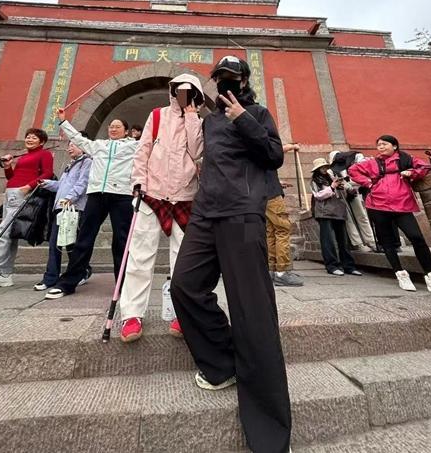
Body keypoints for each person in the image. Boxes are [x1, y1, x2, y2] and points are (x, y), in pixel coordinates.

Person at [171, 55, 292, 453]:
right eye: (219, 78)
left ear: (243, 81)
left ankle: (270, 432)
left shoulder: (257, 113)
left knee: (251, 309)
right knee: (184, 285)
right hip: (206, 213)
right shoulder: (209, 120)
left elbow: (274, 155)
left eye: (232, 78)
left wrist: (243, 118)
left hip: (242, 213)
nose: (225, 83)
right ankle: (223, 364)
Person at [119, 74, 204, 342]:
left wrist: (191, 117)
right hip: (152, 194)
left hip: (185, 196)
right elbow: (142, 151)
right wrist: (138, 182)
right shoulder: (156, 116)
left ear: (196, 95)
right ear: (172, 91)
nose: (183, 96)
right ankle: (132, 315)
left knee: (183, 260)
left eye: (189, 92)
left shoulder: (199, 121)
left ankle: (182, 313)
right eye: (179, 91)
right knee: (140, 256)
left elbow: (198, 153)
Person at [44, 114, 138, 299]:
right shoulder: (98, 145)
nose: (113, 129)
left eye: (117, 126)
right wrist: (63, 121)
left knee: (122, 241)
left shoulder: (134, 146)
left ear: (126, 131)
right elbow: (78, 138)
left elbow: (154, 142)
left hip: (122, 196)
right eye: (111, 126)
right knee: (84, 239)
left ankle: (123, 286)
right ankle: (68, 283)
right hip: (96, 195)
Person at [349, 135, 431, 292]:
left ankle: (430, 274)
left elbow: (423, 167)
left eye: (385, 144)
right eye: (379, 145)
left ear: (394, 146)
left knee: (417, 238)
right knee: (387, 242)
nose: (381, 147)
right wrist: (368, 183)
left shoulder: (405, 159)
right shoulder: (372, 163)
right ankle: (400, 273)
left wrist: (412, 172)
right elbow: (353, 170)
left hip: (402, 205)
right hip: (377, 205)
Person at [0, 128, 54, 295]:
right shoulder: (24, 156)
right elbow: (12, 177)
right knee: (10, 235)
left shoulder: (44, 154)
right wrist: (7, 167)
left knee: (2, 233)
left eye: (34, 138)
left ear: (42, 142)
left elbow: (48, 173)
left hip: (21, 195)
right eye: (28, 137)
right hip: (10, 194)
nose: (30, 139)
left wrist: (29, 186)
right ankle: (5, 274)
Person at [33, 138, 92, 291]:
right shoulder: (70, 164)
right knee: (55, 244)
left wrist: (69, 198)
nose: (69, 148)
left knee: (72, 244)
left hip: (73, 208)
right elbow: (62, 185)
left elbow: (82, 184)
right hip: (60, 207)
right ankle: (51, 277)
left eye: (73, 145)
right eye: (69, 145)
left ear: (83, 147)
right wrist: (47, 183)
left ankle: (81, 272)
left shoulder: (87, 162)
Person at [310, 158, 362, 277]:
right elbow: (318, 195)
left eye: (325, 167)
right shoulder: (314, 181)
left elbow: (344, 193)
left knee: (344, 241)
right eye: (322, 167)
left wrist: (345, 187)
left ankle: (349, 266)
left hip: (339, 211)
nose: (324, 169)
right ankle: (332, 266)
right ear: (317, 169)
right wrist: (332, 187)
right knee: (328, 241)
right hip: (324, 212)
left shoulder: (332, 178)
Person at [267, 143, 303, 287]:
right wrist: (291, 146)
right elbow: (274, 150)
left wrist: (278, 182)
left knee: (270, 233)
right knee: (282, 231)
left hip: (263, 195)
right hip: (273, 196)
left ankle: (271, 270)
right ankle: (282, 272)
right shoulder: (262, 145)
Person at [328, 150, 376, 251]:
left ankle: (371, 241)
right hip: (340, 196)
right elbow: (334, 183)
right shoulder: (330, 171)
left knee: (362, 216)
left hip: (354, 193)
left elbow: (357, 179)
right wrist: (346, 186)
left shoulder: (348, 166)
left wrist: (349, 186)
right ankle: (358, 243)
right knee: (349, 221)